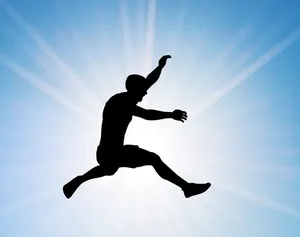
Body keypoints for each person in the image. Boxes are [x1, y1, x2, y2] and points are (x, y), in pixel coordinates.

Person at [63, 55, 211, 199]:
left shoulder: (126, 101)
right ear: (134, 88)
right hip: (109, 152)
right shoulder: (121, 101)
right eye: (143, 89)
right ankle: (187, 188)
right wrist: (170, 114)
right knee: (148, 160)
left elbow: (148, 82)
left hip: (110, 153)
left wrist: (160, 67)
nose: (146, 93)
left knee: (111, 168)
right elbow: (147, 113)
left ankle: (78, 181)